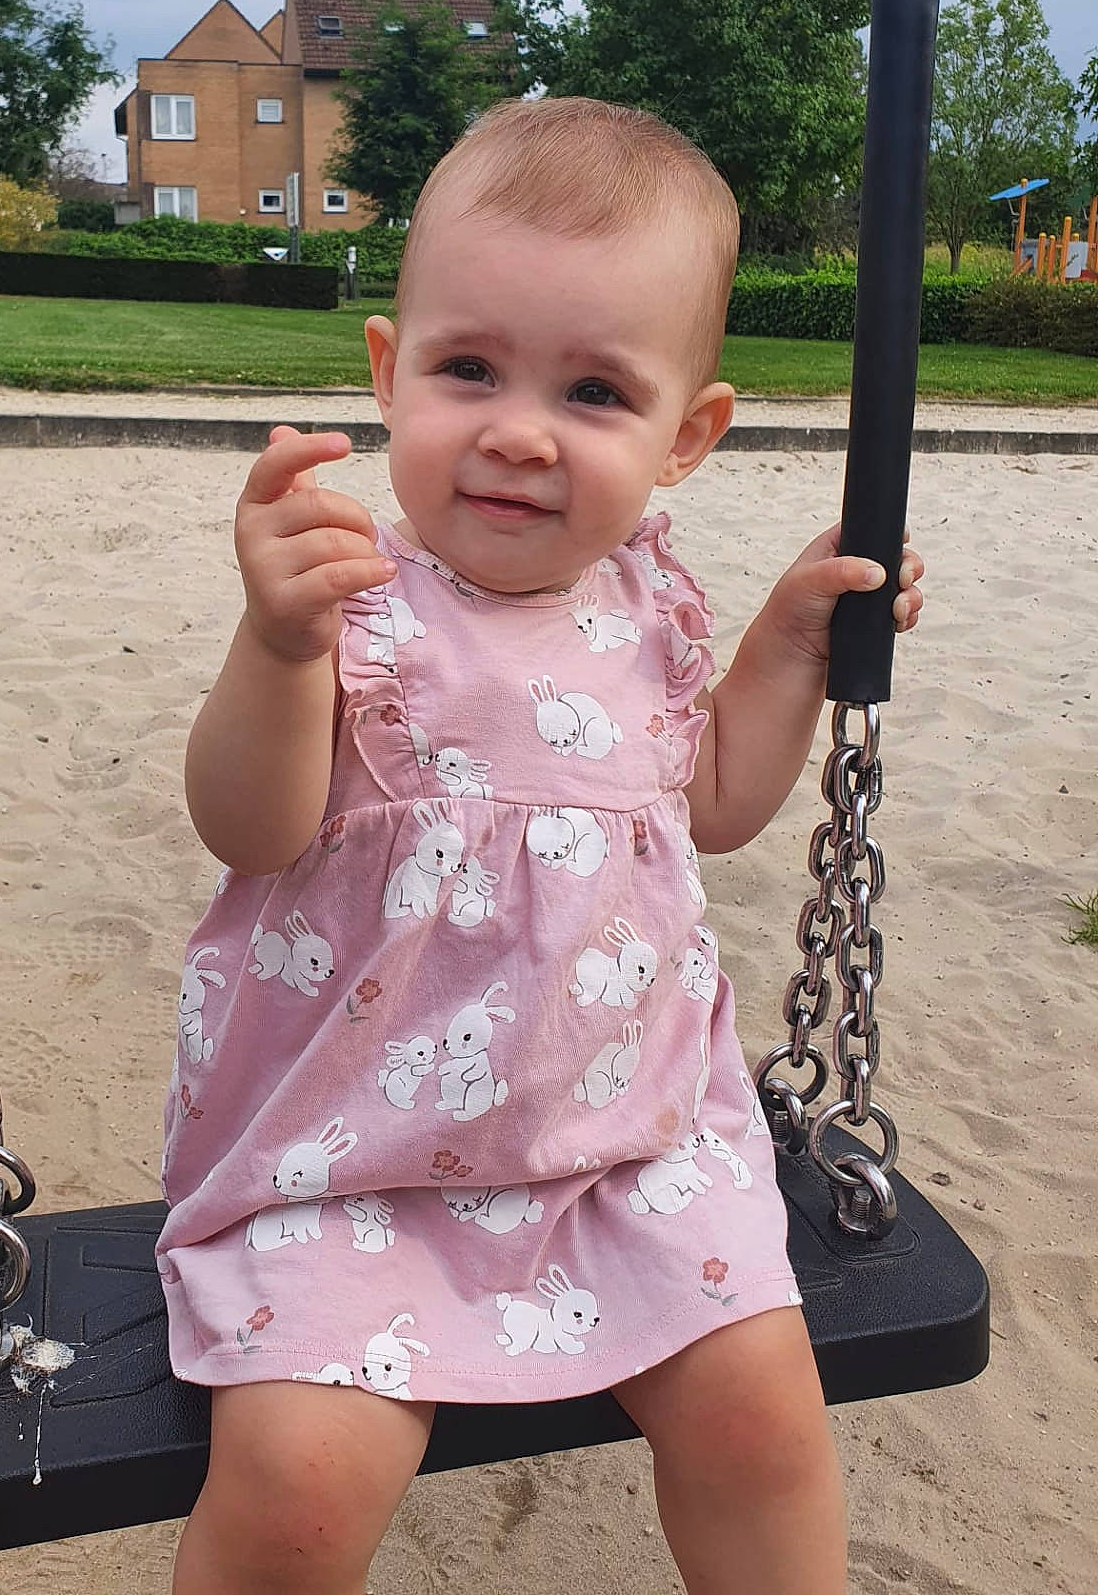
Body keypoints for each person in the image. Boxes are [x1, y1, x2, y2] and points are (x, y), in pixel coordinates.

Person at [157, 97, 926, 1595]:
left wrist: (783, 649)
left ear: (685, 437)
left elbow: (707, 804)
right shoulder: (351, 605)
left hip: (627, 1143)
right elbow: (247, 827)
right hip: (352, 1167)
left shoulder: (653, 606)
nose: (516, 430)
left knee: (768, 1420)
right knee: (301, 1489)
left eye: (592, 391)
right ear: (389, 374)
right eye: (468, 369)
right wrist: (273, 645)